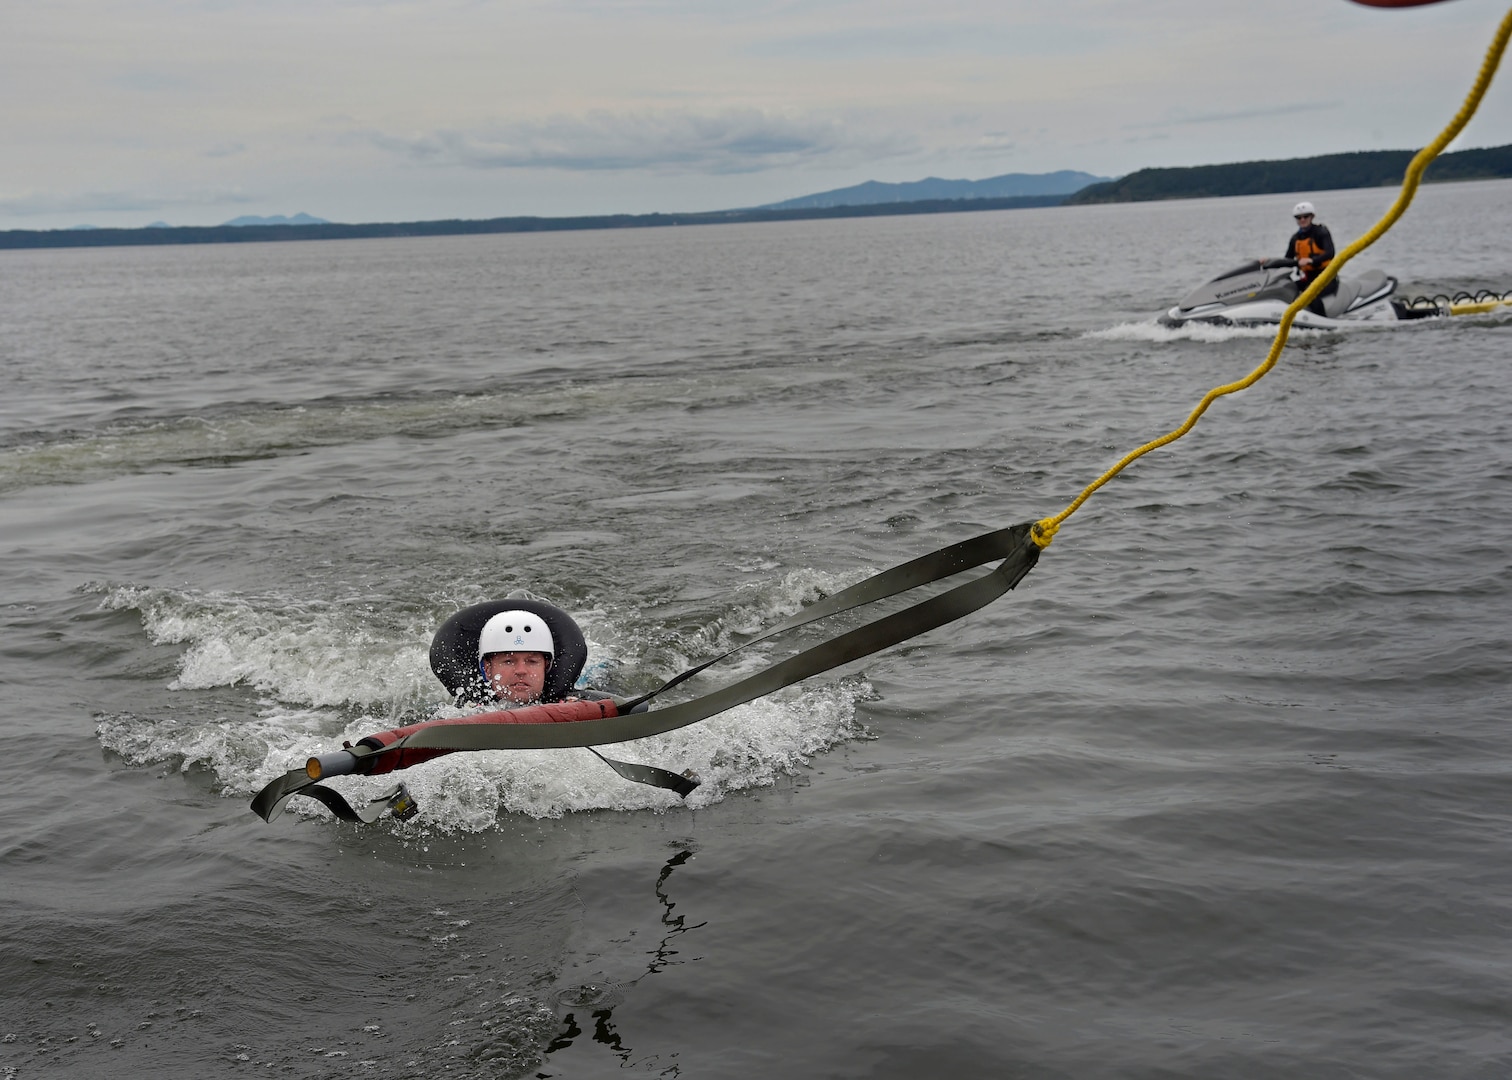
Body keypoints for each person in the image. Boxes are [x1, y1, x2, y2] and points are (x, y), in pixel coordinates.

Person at [477, 609, 556, 705]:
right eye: (509, 661)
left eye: (532, 661)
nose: (521, 671)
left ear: (546, 666)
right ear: (487, 669)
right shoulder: (465, 712)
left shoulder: (572, 703)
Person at [1284, 201, 1337, 316]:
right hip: (1308, 278)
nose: (1302, 219)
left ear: (1312, 217)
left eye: (1305, 216)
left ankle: (1324, 323)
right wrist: (1268, 263)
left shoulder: (1321, 232)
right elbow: (1287, 260)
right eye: (1298, 217)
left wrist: (1312, 260)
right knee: (1287, 288)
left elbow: (1330, 253)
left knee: (1310, 294)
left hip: (1326, 278)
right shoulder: (1295, 239)